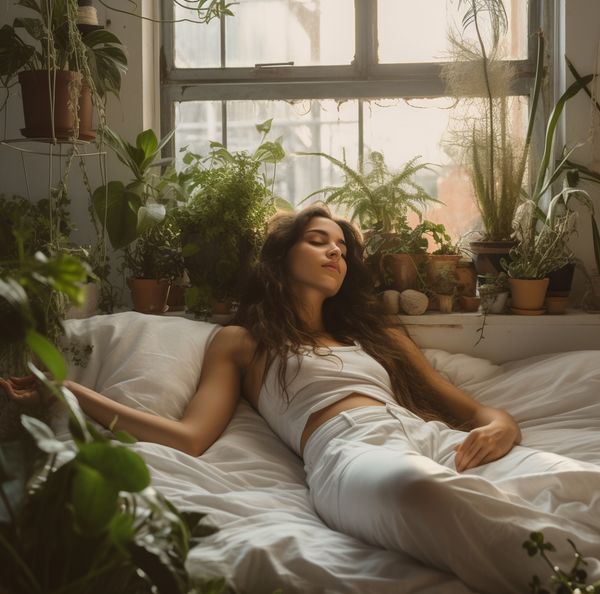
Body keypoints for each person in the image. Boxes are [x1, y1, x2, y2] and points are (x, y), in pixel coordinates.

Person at [2, 204, 600, 594]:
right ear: (281, 255)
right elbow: (188, 437)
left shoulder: (375, 334)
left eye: (342, 246)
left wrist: (502, 430)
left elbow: (474, 410)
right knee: (419, 492)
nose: (336, 252)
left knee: (581, 481)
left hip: (433, 438)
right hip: (349, 452)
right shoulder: (241, 342)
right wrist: (73, 393)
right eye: (319, 241)